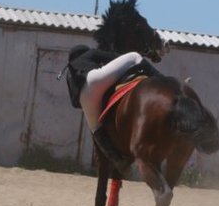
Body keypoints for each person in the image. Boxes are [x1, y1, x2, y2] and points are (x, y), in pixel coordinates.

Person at [64, 45, 158, 173]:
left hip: (84, 98)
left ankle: (118, 161)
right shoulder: (89, 54)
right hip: (94, 78)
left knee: (96, 129)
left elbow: (75, 103)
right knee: (134, 56)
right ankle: (164, 80)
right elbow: (114, 58)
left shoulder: (70, 72)